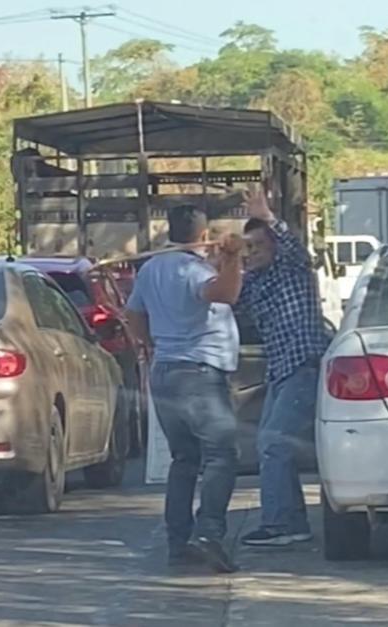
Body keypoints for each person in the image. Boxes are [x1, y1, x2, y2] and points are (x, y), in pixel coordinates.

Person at [124, 204, 245, 573]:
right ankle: (208, 534)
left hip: (165, 371)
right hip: (199, 372)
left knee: (184, 460)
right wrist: (233, 259)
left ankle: (179, 543)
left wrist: (150, 345)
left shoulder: (151, 269)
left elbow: (133, 315)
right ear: (204, 234)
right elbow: (225, 294)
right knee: (221, 456)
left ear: (169, 231)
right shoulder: (193, 270)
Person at [237, 186, 333, 546]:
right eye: (248, 248)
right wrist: (226, 259)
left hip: (303, 366)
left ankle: (282, 523)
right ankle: (290, 521)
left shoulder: (293, 269)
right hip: (279, 371)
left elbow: (294, 248)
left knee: (273, 443)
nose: (252, 254)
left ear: (274, 245)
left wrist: (267, 216)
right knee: (273, 446)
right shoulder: (254, 282)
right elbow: (229, 302)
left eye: (258, 246)